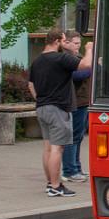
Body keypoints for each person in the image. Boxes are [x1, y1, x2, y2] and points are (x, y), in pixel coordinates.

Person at [28, 28, 82, 197]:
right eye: (64, 40)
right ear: (58, 41)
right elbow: (86, 65)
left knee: (48, 148)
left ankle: (50, 183)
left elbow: (31, 85)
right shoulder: (61, 58)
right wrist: (89, 50)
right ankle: (56, 186)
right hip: (58, 108)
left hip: (42, 107)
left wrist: (41, 99)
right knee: (57, 149)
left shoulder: (37, 61)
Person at [61, 31, 94, 184]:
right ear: (65, 43)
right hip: (74, 102)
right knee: (72, 137)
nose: (77, 47)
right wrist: (92, 65)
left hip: (82, 102)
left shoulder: (78, 58)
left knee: (79, 137)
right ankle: (69, 170)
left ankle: (77, 167)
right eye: (75, 43)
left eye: (79, 44)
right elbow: (79, 75)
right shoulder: (66, 59)